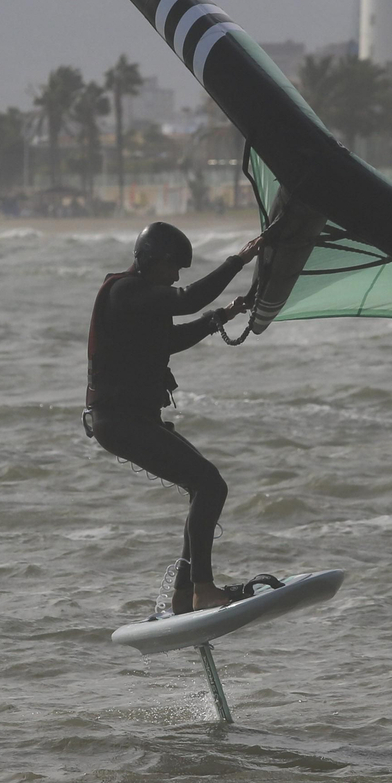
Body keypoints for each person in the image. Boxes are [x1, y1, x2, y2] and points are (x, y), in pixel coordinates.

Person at [85, 221, 264, 613]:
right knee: (210, 486)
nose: (177, 277)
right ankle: (202, 588)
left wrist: (224, 315)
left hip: (132, 420)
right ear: (154, 261)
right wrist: (239, 260)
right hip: (118, 420)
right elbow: (186, 299)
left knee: (205, 486)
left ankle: (186, 595)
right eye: (174, 268)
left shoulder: (143, 301)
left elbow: (170, 341)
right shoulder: (125, 291)